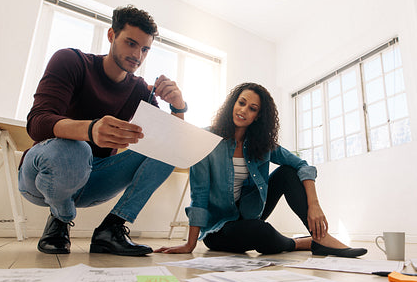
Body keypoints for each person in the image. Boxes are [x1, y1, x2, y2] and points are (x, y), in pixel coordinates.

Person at [18, 5, 188, 256]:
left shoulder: (140, 89)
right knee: (75, 148)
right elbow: (37, 123)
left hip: (94, 179)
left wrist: (178, 107)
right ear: (111, 35)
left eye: (144, 49)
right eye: (130, 43)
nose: (137, 55)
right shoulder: (71, 61)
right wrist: (90, 129)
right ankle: (60, 218)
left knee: (169, 150)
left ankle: (112, 228)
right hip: (42, 175)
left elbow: (165, 139)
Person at [154, 83, 367, 257]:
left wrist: (314, 205)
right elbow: (199, 196)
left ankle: (320, 238)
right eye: (241, 103)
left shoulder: (261, 144)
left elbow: (303, 165)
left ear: (258, 117)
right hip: (219, 229)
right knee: (260, 230)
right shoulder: (205, 139)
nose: (244, 110)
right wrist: (190, 245)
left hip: (249, 214)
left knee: (287, 172)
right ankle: (302, 243)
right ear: (232, 104)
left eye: (252, 109)